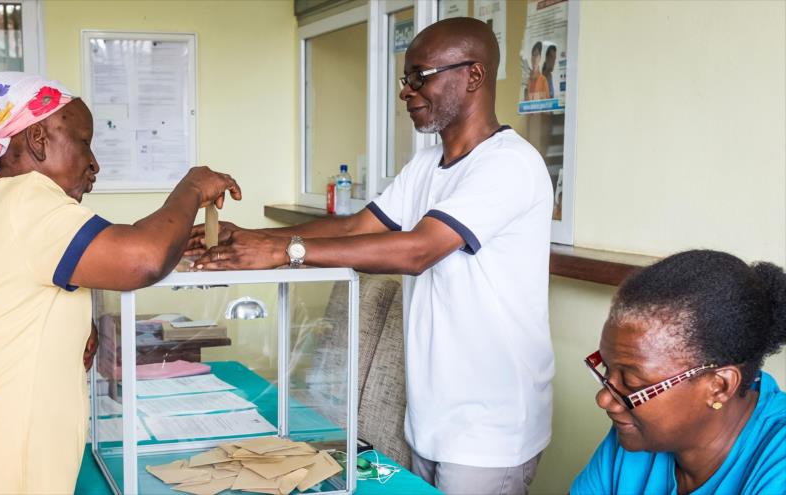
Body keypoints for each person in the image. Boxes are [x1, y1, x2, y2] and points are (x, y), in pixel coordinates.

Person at [187, 17, 554, 495]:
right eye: (406, 79)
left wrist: (282, 250)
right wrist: (247, 235)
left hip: (490, 425)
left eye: (420, 76)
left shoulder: (509, 164)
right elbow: (356, 227)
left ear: (474, 76)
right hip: (433, 414)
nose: (406, 91)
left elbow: (419, 249)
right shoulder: (426, 164)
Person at [0, 72, 240, 494]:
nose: (94, 163)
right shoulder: (28, 201)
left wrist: (58, 330)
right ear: (37, 138)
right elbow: (143, 258)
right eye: (84, 141)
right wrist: (192, 186)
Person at [572, 250, 786, 495]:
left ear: (719, 387)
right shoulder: (635, 429)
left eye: (631, 382)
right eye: (607, 370)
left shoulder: (778, 464)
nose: (604, 399)